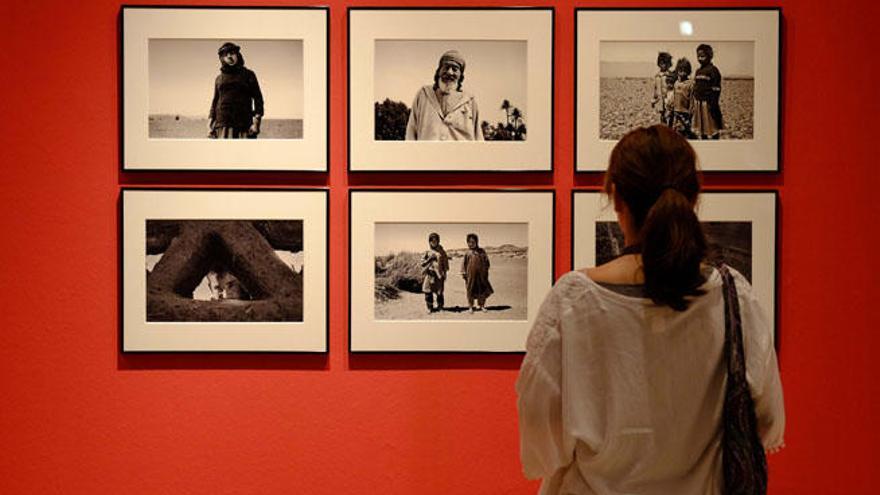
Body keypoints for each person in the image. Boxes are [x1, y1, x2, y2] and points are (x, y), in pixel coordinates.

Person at [516, 125, 784, 494]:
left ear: (616, 197)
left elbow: (540, 435)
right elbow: (766, 419)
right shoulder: (731, 293)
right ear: (693, 197)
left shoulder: (573, 300)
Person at [405, 50, 483, 141]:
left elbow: (478, 137)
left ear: (461, 76)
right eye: (446, 67)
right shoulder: (424, 95)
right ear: (438, 71)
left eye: (455, 69)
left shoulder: (469, 101)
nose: (450, 72)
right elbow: (411, 131)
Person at [208, 42, 264, 139]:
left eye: (232, 53)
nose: (229, 56)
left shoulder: (249, 75)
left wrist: (256, 123)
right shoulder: (219, 78)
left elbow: (258, 99)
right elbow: (215, 102)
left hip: (245, 125)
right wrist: (209, 126)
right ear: (222, 58)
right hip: (222, 126)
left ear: (237, 55)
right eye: (225, 54)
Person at [692, 43, 723, 140]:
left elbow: (716, 88)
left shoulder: (713, 70)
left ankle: (715, 141)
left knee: (711, 124)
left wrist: (713, 103)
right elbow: (695, 85)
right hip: (698, 102)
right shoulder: (698, 71)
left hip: (708, 102)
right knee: (701, 125)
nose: (700, 58)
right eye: (698, 56)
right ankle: (704, 140)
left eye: (703, 56)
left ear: (709, 56)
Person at [461, 233, 493, 313]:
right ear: (467, 243)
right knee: (470, 291)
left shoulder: (482, 251)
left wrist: (485, 271)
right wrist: (464, 273)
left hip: (481, 277)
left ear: (476, 242)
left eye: (473, 242)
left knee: (481, 291)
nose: (471, 244)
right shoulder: (467, 253)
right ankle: (471, 307)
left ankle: (481, 306)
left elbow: (487, 262)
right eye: (469, 242)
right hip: (470, 276)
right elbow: (463, 264)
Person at [420, 232, 449, 314]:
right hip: (429, 275)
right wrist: (430, 259)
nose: (433, 242)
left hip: (439, 275)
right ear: (429, 242)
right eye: (431, 241)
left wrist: (445, 274)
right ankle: (430, 308)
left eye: (435, 241)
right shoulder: (427, 252)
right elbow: (422, 264)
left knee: (439, 292)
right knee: (427, 291)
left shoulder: (442, 252)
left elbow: (445, 264)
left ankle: (440, 307)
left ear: (438, 241)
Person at [671, 57, 696, 138]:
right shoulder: (676, 83)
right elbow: (674, 96)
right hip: (676, 111)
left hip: (685, 111)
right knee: (676, 129)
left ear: (688, 71)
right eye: (680, 70)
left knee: (685, 129)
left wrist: (691, 111)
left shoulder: (690, 84)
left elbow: (692, 99)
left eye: (684, 70)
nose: (682, 73)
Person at [651, 52, 673, 124]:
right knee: (662, 116)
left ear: (669, 64)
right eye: (661, 63)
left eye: (665, 63)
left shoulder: (671, 75)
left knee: (669, 116)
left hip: (668, 100)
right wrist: (654, 99)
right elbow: (655, 88)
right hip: (660, 100)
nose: (663, 65)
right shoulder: (657, 76)